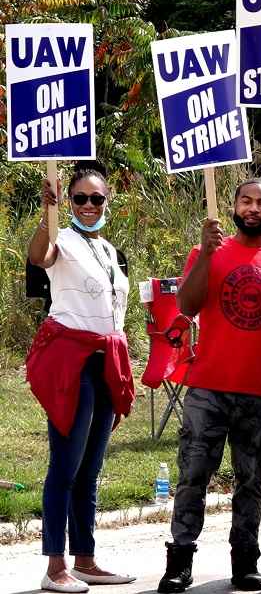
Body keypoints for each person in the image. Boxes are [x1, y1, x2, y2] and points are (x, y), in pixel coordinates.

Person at [157, 179, 261, 593]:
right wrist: (205, 253)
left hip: (258, 390)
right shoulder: (206, 252)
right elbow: (187, 306)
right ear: (232, 206)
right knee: (193, 475)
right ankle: (180, 560)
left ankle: (245, 561)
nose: (253, 208)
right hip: (208, 388)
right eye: (246, 201)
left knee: (251, 481)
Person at [26, 164, 136, 593]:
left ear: (107, 202)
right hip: (73, 363)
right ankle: (55, 566)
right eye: (80, 199)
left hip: (105, 361)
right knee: (66, 465)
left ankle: (85, 558)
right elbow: (40, 257)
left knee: (91, 467)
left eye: (97, 199)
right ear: (68, 201)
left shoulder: (108, 250)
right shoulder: (61, 240)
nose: (88, 206)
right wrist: (45, 218)